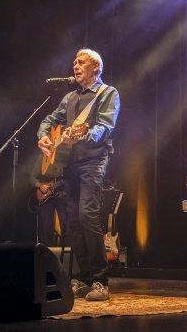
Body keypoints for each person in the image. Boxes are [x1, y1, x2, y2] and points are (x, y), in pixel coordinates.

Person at [37, 49, 120, 302]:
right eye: (74, 61)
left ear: (96, 68)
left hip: (93, 161)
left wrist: (85, 134)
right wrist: (43, 135)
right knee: (72, 219)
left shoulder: (108, 93)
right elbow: (50, 119)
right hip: (69, 163)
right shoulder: (69, 96)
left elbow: (105, 126)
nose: (75, 65)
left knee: (87, 215)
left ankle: (100, 279)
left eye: (81, 62)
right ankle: (83, 277)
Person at [29, 149, 67, 247]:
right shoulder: (42, 156)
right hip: (46, 197)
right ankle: (47, 254)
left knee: (66, 224)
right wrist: (40, 185)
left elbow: (67, 178)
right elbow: (31, 177)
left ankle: (67, 253)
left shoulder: (65, 155)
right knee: (46, 227)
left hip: (62, 194)